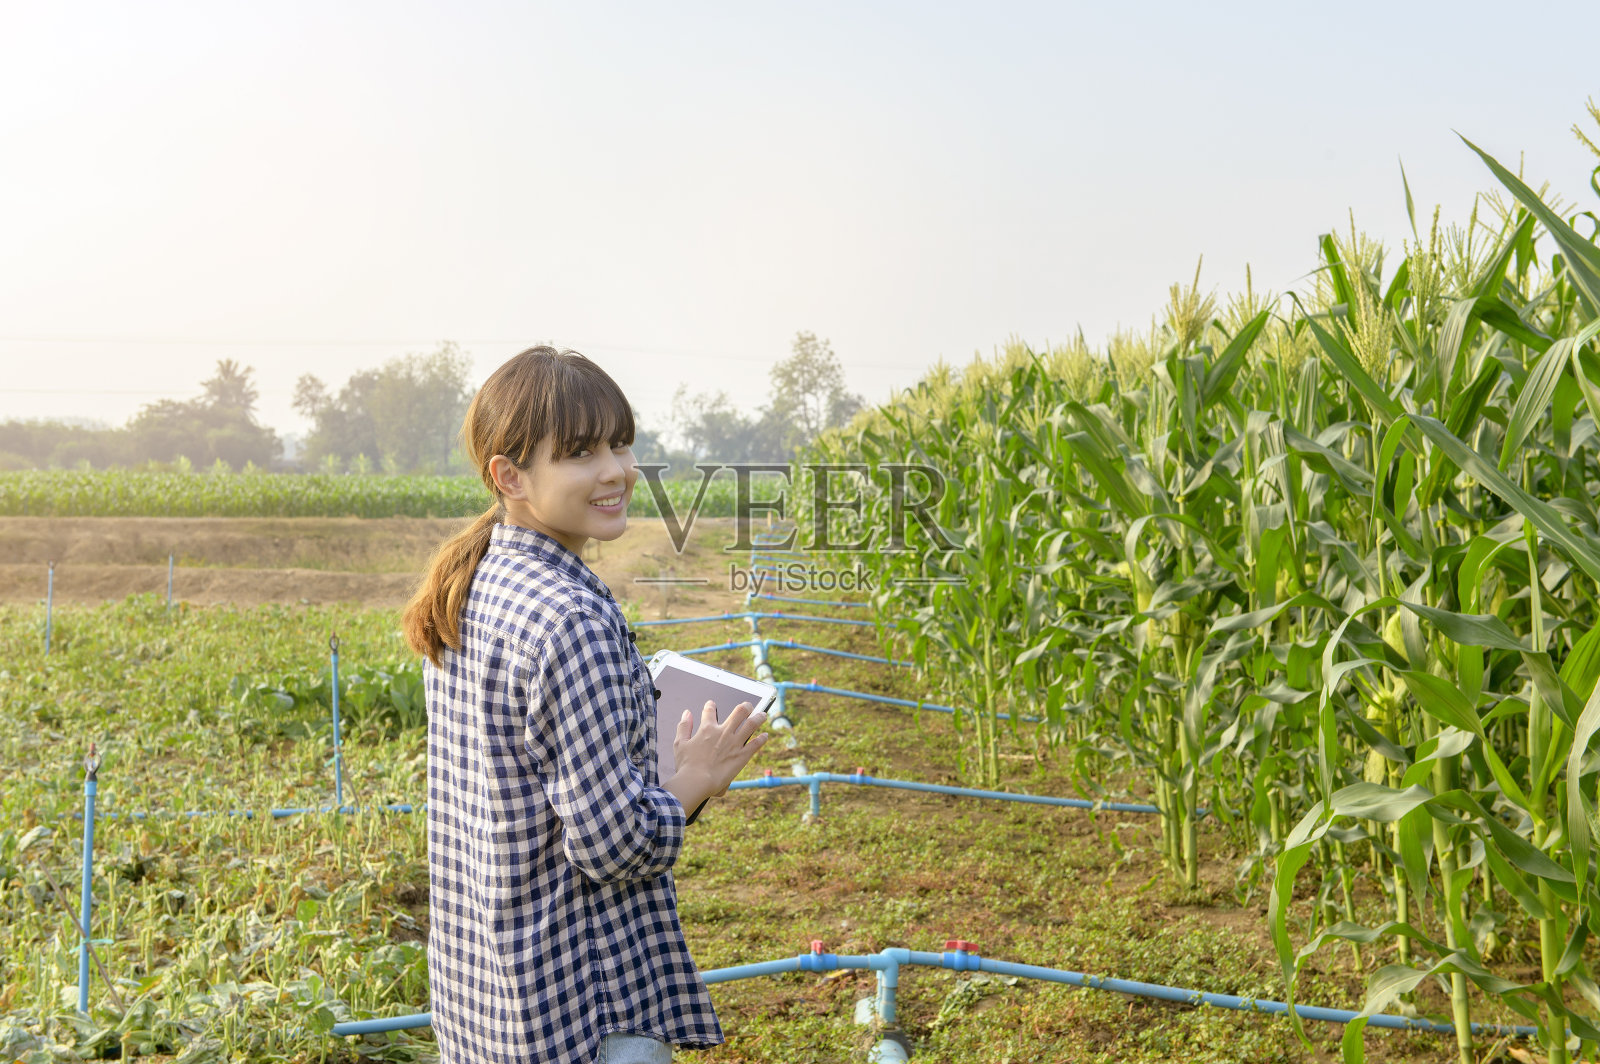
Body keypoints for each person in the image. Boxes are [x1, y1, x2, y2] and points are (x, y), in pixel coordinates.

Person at [401, 346, 769, 1063]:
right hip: (573, 1003)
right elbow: (612, 845)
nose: (616, 471)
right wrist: (696, 775)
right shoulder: (571, 618)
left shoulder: (473, 583)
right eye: (578, 453)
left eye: (619, 442)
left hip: (486, 989)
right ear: (510, 476)